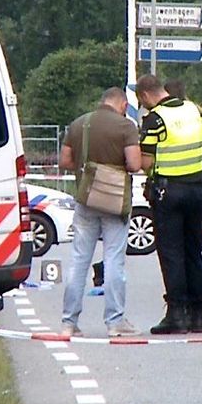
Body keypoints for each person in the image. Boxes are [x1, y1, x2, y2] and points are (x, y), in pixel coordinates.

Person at [58, 88, 142, 338]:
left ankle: (68, 322)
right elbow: (135, 164)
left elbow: (65, 161)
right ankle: (115, 322)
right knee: (114, 259)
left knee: (79, 260)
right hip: (115, 203)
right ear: (123, 105)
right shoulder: (126, 127)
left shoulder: (79, 124)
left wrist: (89, 169)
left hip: (86, 199)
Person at [136, 74, 202, 335]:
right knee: (193, 251)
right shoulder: (195, 112)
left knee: (171, 254)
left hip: (169, 193)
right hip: (196, 189)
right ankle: (200, 314)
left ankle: (177, 313)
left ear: (145, 95)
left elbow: (145, 162)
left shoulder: (154, 119)